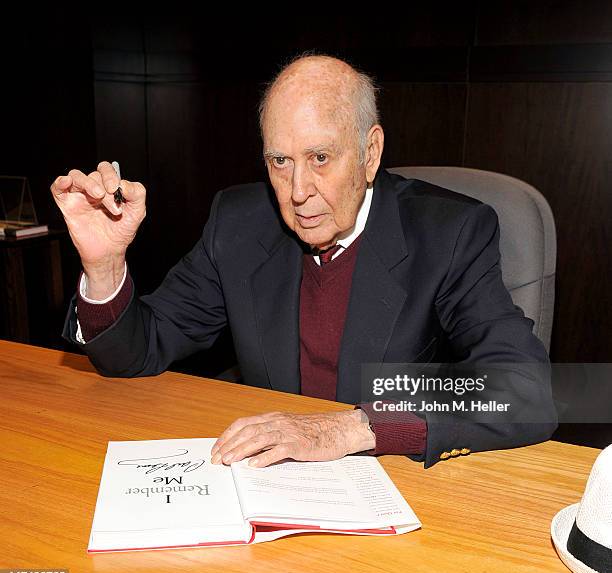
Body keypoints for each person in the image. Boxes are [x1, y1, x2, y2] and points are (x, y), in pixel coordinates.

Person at [51, 53, 557, 469]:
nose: (297, 193)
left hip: (400, 486)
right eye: (280, 161)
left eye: (320, 158)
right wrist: (105, 266)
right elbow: (138, 351)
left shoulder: (448, 234)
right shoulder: (239, 224)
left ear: (370, 153)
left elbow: (526, 389)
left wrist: (350, 426)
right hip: (268, 486)